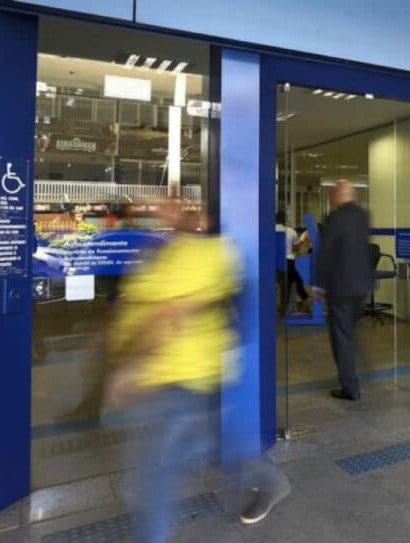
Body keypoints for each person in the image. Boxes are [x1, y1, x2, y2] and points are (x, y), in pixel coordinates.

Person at [106, 199, 290, 542]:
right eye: (168, 207)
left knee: (158, 472)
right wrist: (123, 353)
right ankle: (268, 480)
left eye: (187, 208)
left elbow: (172, 312)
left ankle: (152, 536)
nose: (174, 210)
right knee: (214, 444)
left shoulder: (215, 254)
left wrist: (130, 365)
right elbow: (137, 308)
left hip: (192, 375)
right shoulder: (160, 255)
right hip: (165, 378)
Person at [314, 180, 372, 401]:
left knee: (342, 338)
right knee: (348, 333)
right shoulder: (363, 216)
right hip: (361, 286)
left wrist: (318, 283)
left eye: (332, 195)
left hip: (341, 287)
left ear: (337, 195)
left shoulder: (335, 217)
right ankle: (353, 372)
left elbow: (326, 252)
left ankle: (350, 387)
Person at [275, 210, 310, 315]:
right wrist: (301, 240)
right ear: (285, 220)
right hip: (288, 262)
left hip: (274, 263)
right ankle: (304, 300)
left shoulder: (268, 230)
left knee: (288, 283)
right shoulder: (290, 231)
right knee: (291, 283)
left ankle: (284, 308)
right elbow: (296, 248)